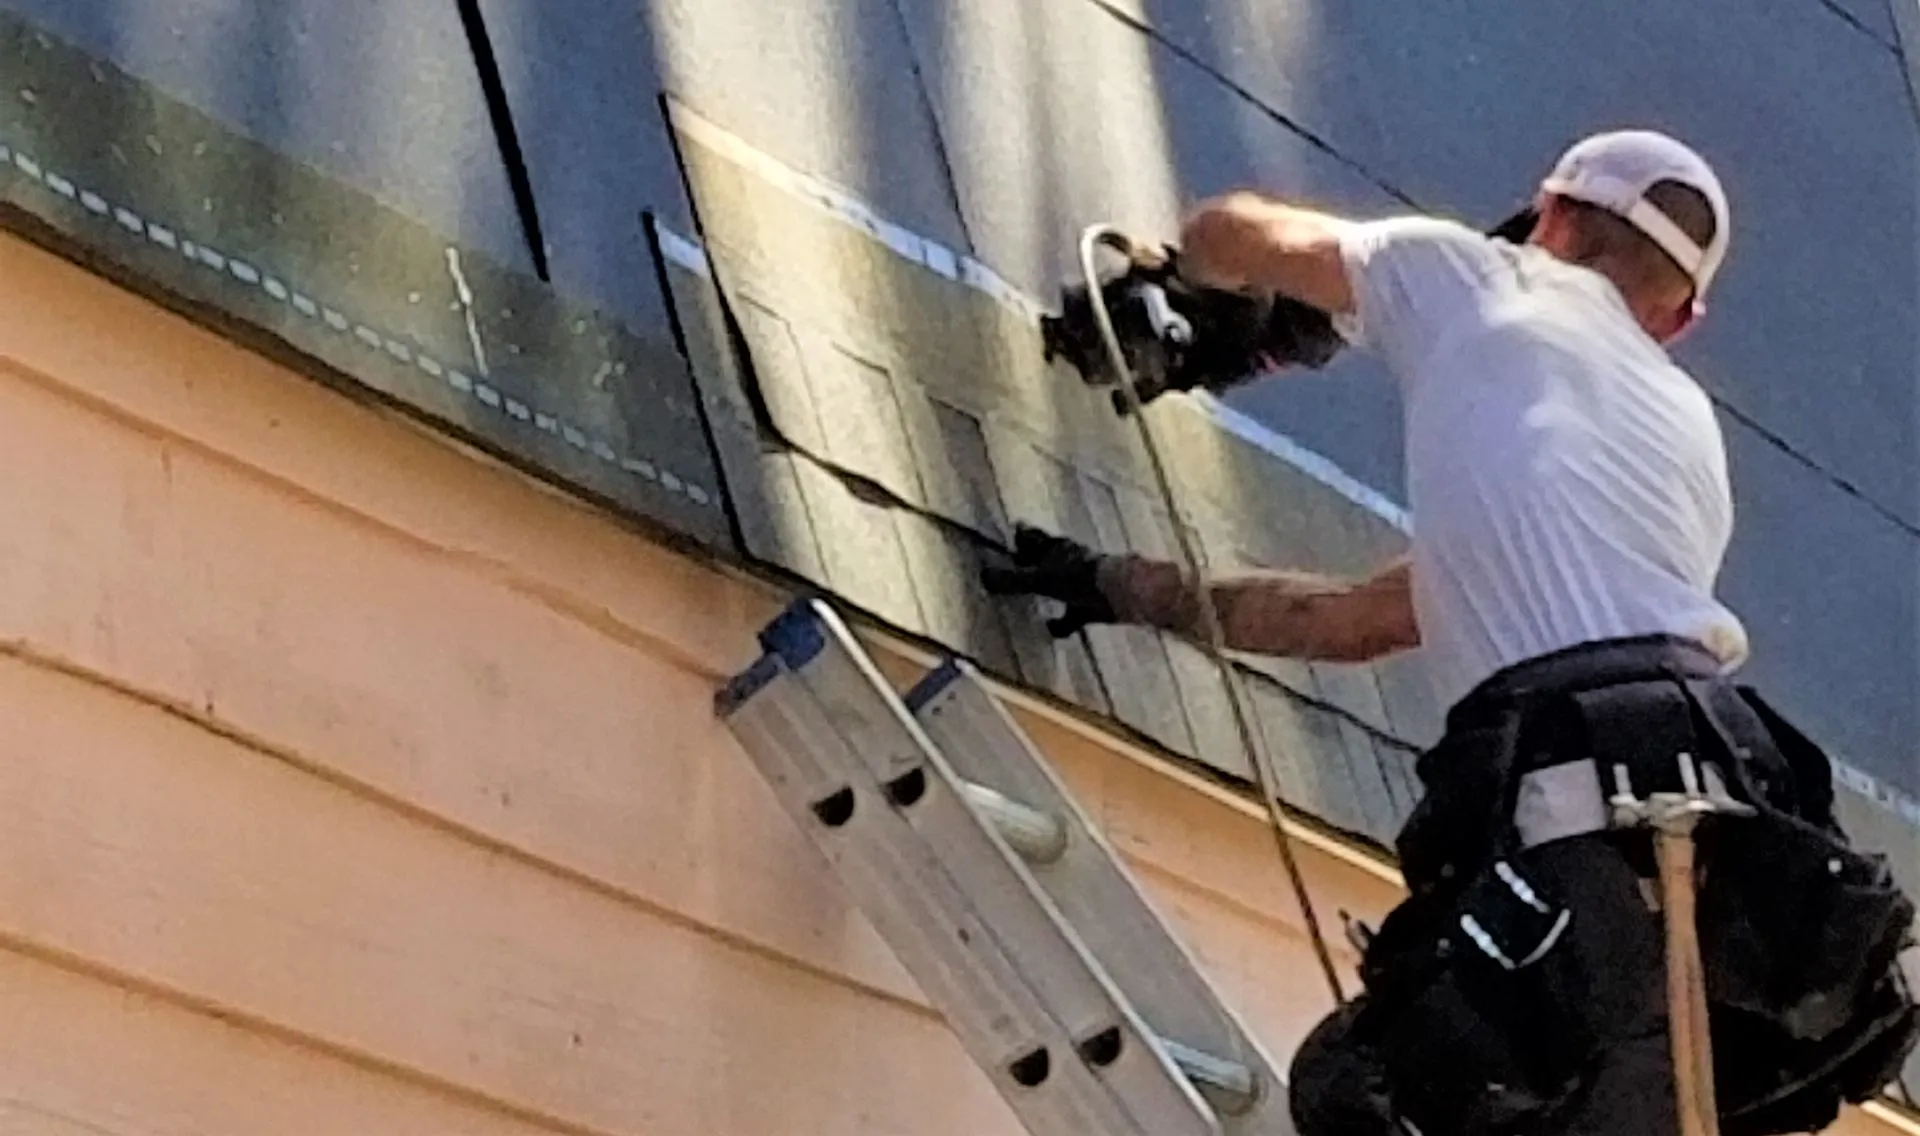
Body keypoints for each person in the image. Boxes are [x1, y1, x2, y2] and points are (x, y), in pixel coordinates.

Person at [983, 130, 1917, 1135]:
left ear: (1549, 216)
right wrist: (1123, 584)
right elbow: (1357, 619)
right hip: (1738, 848)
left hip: (1572, 821)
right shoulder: (1687, 439)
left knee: (1372, 1092)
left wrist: (1210, 310)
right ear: (1679, 320)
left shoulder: (1475, 274)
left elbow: (1230, 232)